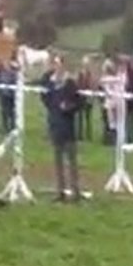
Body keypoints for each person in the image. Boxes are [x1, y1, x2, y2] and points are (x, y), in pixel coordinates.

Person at [42, 56, 83, 202]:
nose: (57, 67)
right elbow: (45, 98)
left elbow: (79, 102)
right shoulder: (50, 83)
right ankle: (60, 192)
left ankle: (75, 191)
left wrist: (69, 107)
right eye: (55, 64)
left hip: (68, 127)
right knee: (57, 161)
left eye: (59, 64)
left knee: (71, 161)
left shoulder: (70, 83)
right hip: (55, 125)